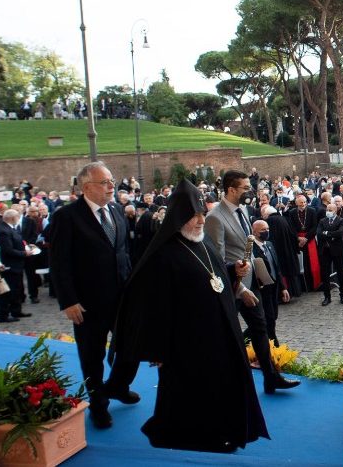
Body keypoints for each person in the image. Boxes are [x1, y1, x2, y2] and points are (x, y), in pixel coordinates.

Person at [114, 179, 269, 453]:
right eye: (194, 216)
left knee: (220, 385)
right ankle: (197, 435)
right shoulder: (162, 255)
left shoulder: (201, 240)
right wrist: (157, 348)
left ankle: (224, 429)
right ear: (178, 217)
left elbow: (214, 272)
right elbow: (152, 306)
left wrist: (234, 272)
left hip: (218, 332)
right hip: (184, 343)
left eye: (202, 215)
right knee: (192, 393)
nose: (200, 220)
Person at [50, 161, 140, 429]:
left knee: (131, 346)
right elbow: (59, 262)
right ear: (87, 187)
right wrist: (68, 300)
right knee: (92, 356)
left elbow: (123, 253)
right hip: (88, 303)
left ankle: (118, 386)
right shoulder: (66, 217)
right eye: (105, 182)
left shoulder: (116, 210)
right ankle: (98, 404)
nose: (112, 186)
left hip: (122, 297)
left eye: (112, 180)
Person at [205, 170, 297, 394]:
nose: (250, 191)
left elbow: (247, 244)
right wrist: (241, 287)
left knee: (260, 326)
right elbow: (216, 260)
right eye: (245, 188)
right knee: (226, 335)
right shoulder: (215, 217)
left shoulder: (243, 210)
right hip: (231, 287)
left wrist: (257, 271)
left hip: (250, 281)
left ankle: (270, 377)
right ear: (231, 189)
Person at [317, 200, 343, 305]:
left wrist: (326, 233)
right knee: (325, 274)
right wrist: (331, 234)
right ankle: (327, 297)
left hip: (337, 251)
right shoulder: (322, 221)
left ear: (335, 211)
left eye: (330, 210)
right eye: (327, 209)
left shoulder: (341, 220)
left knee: (340, 273)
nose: (328, 211)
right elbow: (318, 233)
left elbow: (340, 232)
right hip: (325, 250)